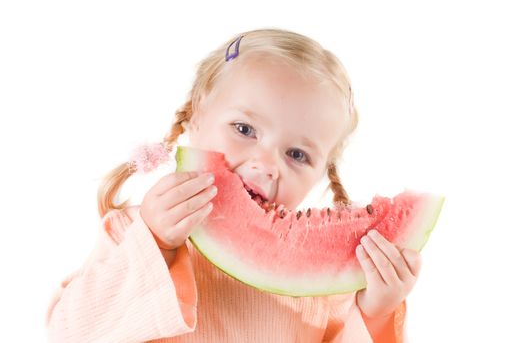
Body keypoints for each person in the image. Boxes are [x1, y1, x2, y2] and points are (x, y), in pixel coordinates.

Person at [46, 28, 422, 342]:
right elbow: (70, 332)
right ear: (195, 117)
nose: (266, 164)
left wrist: (373, 313)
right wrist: (154, 244)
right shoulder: (132, 231)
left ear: (324, 170)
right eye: (245, 130)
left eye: (297, 154)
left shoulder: (329, 285)